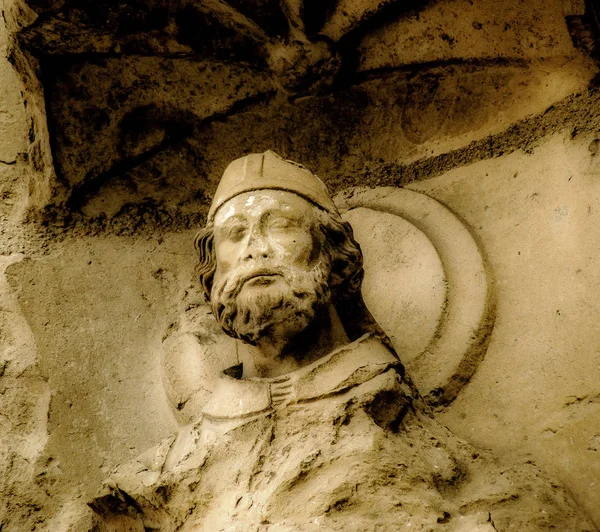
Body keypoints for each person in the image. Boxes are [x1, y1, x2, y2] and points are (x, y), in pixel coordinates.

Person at [91, 151, 593, 531]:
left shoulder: (436, 458)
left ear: (336, 259)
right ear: (211, 270)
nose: (254, 249)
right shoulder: (157, 475)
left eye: (280, 226)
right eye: (235, 234)